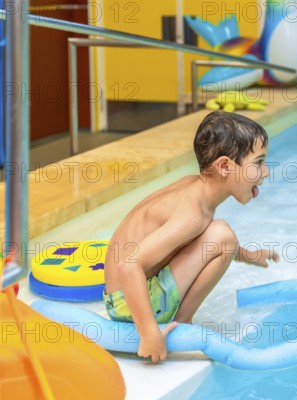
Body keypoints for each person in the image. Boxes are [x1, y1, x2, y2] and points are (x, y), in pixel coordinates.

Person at [103, 111, 280, 363]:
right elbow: (129, 265)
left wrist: (249, 256)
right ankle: (181, 322)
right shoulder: (192, 214)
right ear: (224, 166)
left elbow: (198, 241)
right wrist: (148, 333)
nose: (265, 173)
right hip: (129, 304)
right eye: (258, 163)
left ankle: (172, 318)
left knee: (219, 235)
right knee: (223, 235)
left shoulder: (194, 189)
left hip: (121, 295)